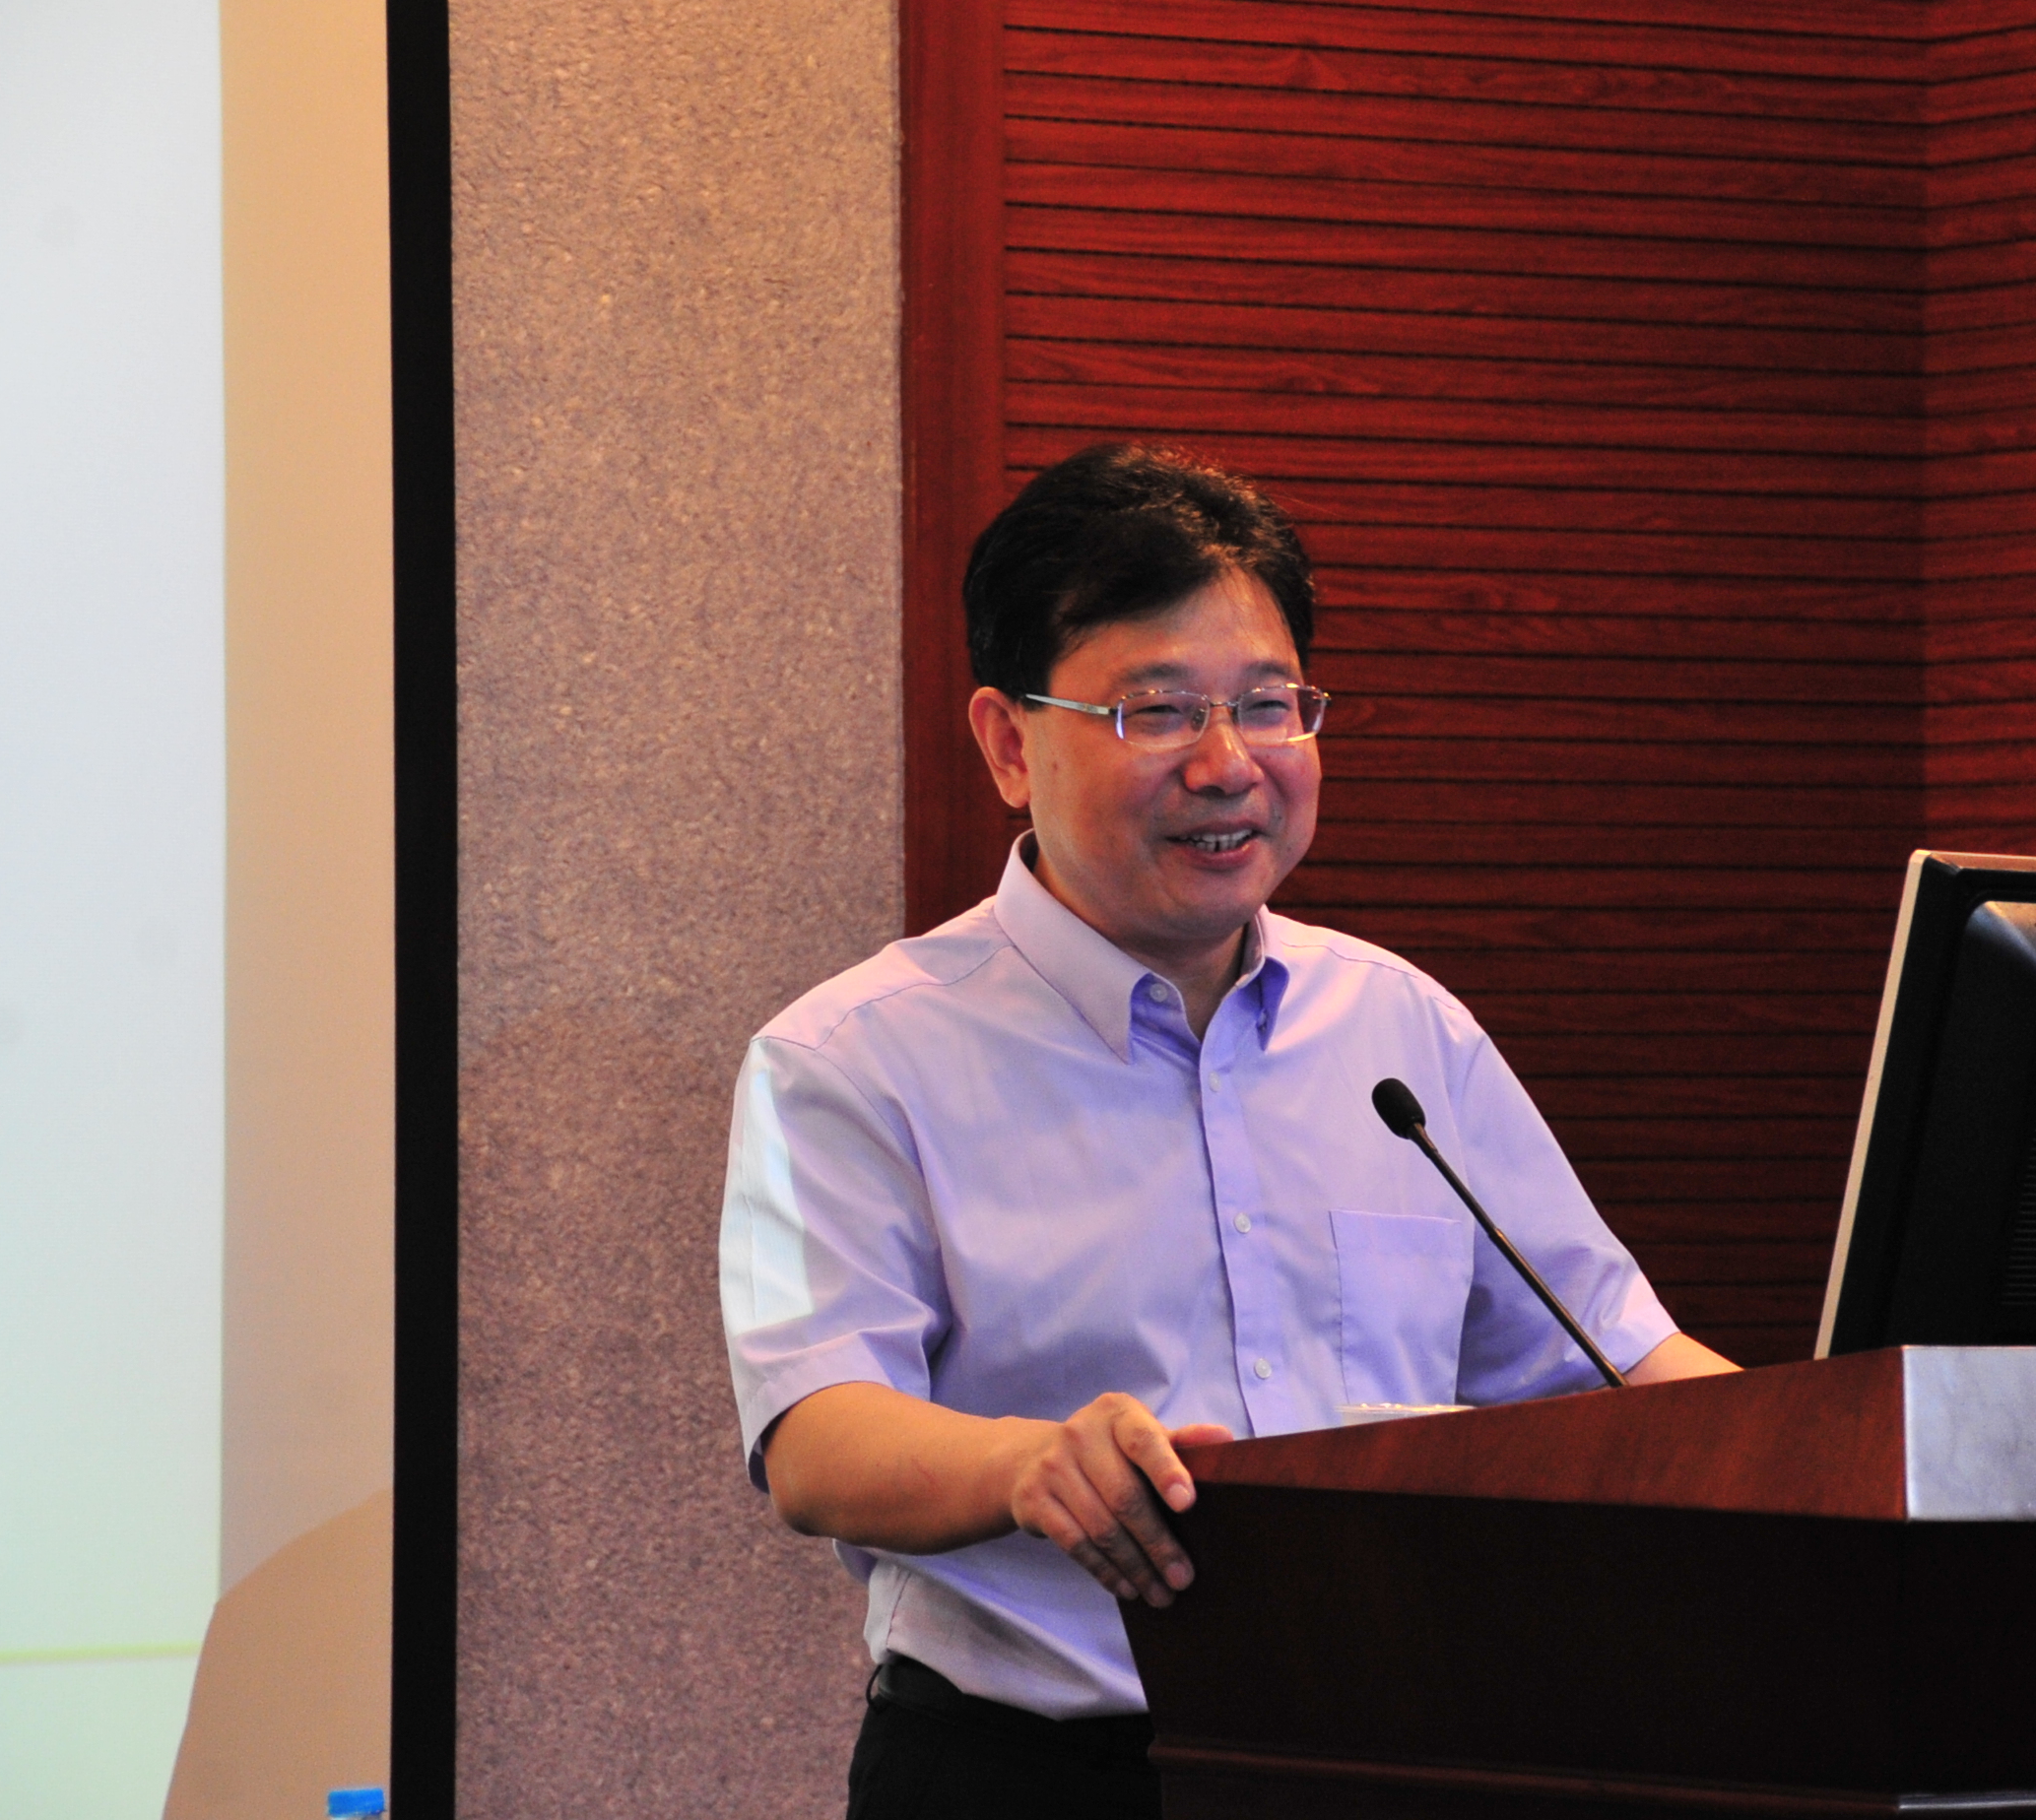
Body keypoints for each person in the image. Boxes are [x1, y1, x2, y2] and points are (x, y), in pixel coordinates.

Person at [718, 443, 1738, 1818]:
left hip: (1392, 1760)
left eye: (1269, 706)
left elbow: (1613, 1358)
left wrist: (1851, 1459)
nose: (1229, 764)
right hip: (1036, 1776)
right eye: (1157, 713)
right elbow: (817, 1439)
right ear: (1009, 744)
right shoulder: (853, 1056)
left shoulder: (1403, 1026)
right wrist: (1028, 1465)